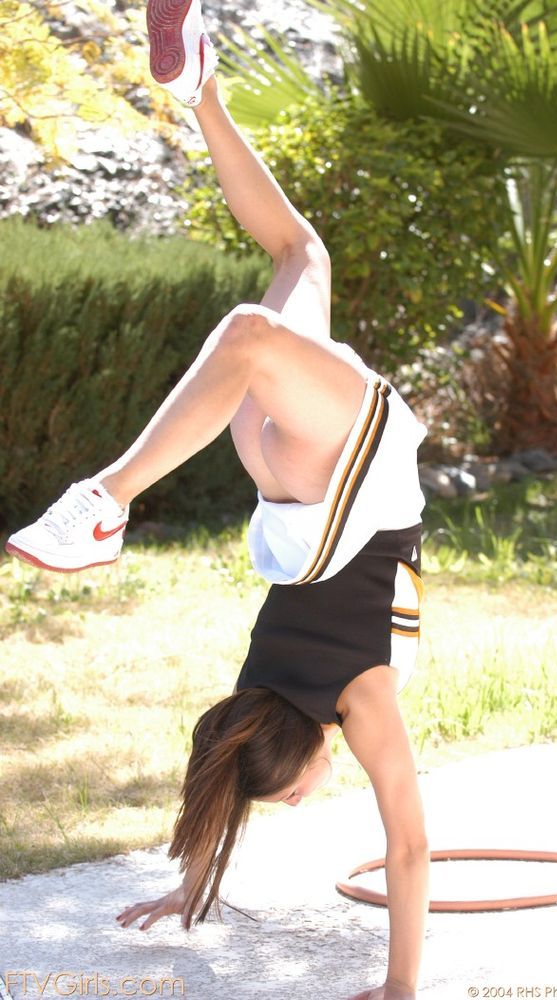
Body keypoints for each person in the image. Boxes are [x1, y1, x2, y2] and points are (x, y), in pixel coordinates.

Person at [5, 3, 430, 998]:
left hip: (350, 486)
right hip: (279, 481)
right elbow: (222, 777)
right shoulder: (255, 685)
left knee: (250, 329)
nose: (299, 800)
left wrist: (400, 991)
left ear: (303, 747)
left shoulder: (358, 701)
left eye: (289, 794)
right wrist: (191, 885)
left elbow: (409, 848)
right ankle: (197, 88)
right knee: (299, 258)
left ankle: (102, 502)